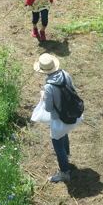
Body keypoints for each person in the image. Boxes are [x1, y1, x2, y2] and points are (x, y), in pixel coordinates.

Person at [35, 53, 81, 182]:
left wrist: (43, 96)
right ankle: (66, 154)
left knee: (57, 145)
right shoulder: (65, 74)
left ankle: (64, 173)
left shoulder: (48, 87)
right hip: (73, 115)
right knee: (64, 134)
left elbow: (48, 108)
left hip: (60, 120)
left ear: (43, 70)